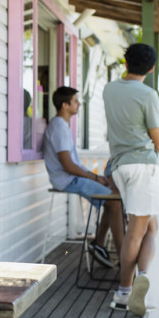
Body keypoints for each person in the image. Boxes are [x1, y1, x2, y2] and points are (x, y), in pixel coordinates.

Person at [104, 43, 159, 316]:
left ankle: (142, 276)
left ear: (125, 63)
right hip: (142, 166)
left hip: (119, 166)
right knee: (137, 229)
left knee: (150, 226)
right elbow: (156, 139)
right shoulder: (148, 94)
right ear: (151, 68)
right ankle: (124, 292)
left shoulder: (109, 89)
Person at [43, 86, 123, 268]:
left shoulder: (62, 126)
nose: (79, 104)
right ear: (65, 105)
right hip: (66, 180)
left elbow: (72, 164)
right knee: (115, 201)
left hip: (71, 178)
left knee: (113, 196)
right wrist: (95, 178)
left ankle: (99, 243)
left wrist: (96, 177)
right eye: (75, 101)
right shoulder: (59, 128)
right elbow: (68, 166)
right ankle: (124, 258)